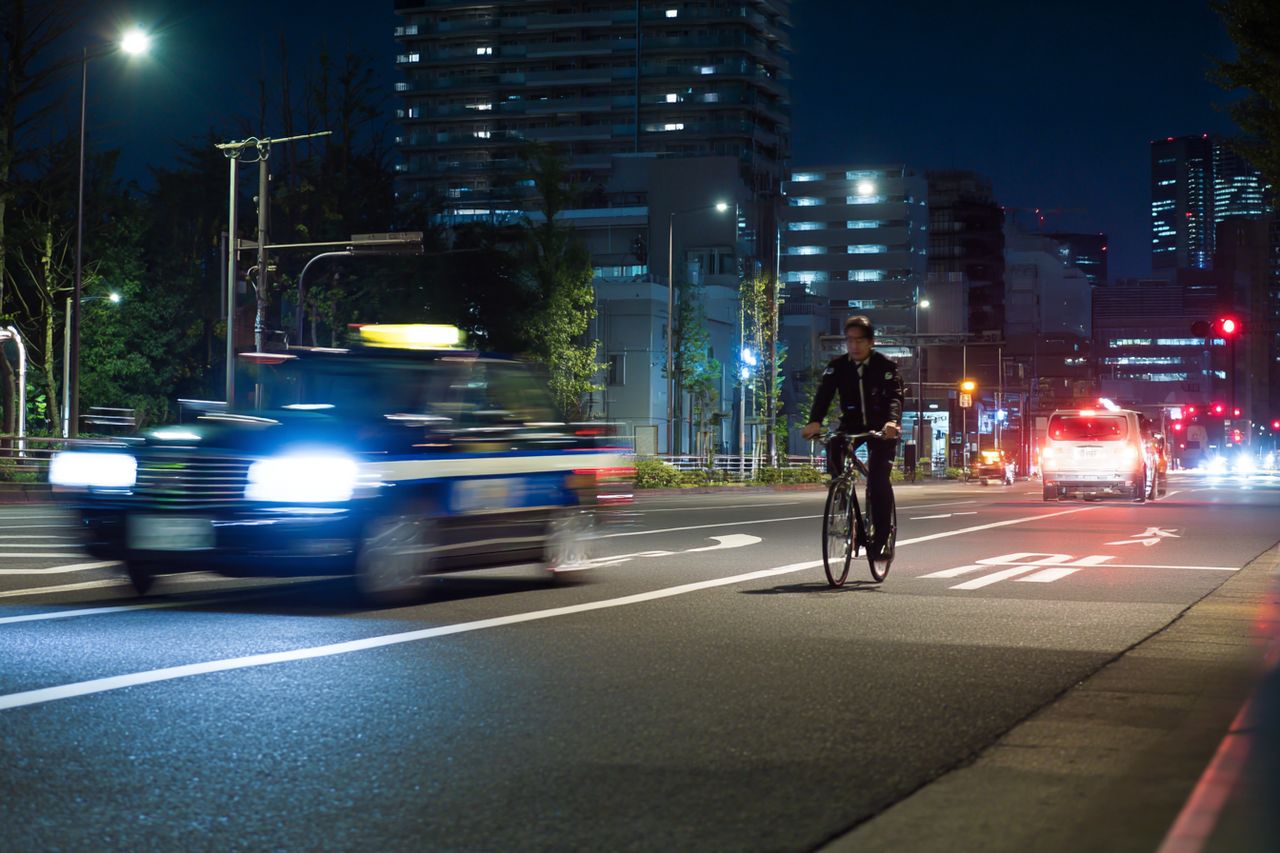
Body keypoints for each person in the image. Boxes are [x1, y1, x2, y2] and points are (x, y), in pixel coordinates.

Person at [801, 315, 905, 559]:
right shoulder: (837, 367)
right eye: (850, 340)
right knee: (834, 444)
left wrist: (892, 422)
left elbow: (895, 398)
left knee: (878, 479)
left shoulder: (886, 367)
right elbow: (823, 395)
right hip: (851, 425)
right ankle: (841, 490)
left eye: (859, 340)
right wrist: (814, 421)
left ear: (871, 342)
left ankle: (881, 540)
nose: (854, 346)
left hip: (881, 429)